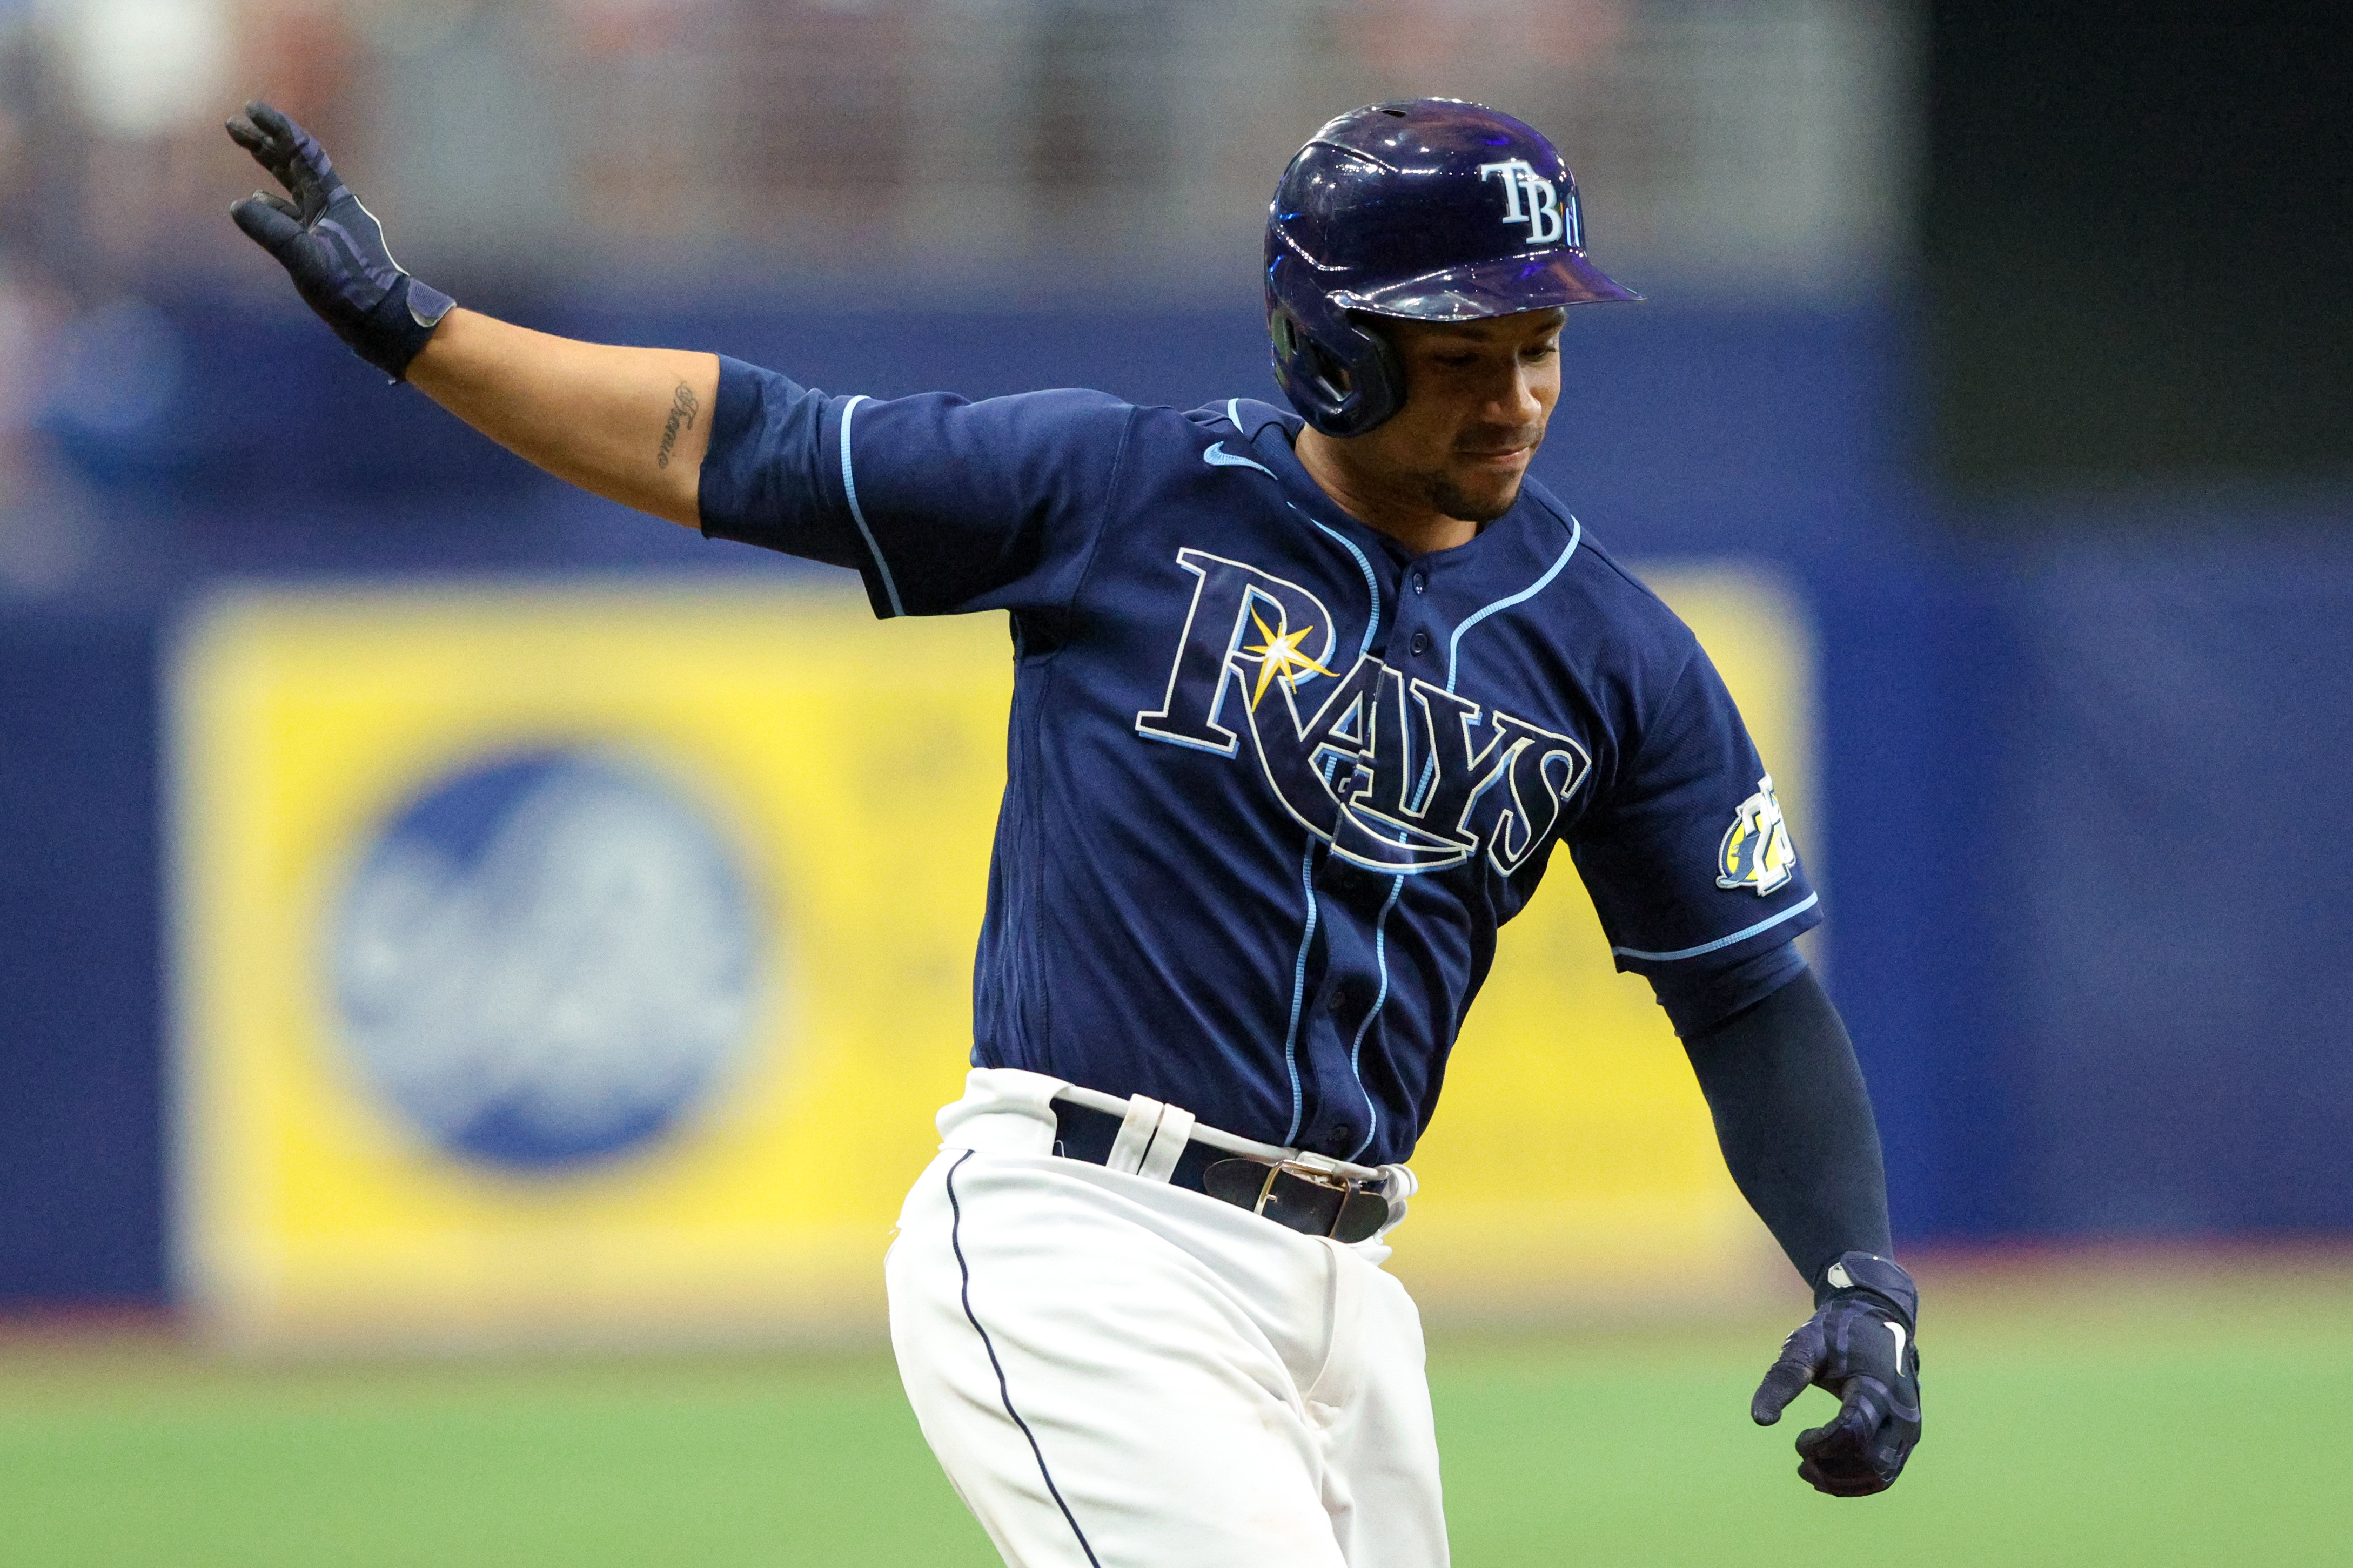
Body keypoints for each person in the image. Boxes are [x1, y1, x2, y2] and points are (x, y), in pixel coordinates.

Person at [227, 96, 1922, 1565]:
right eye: (1460, 358)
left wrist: (1860, 1274)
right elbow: (744, 447)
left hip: (1351, 1298)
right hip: (1089, 1245)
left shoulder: (1610, 647)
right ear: (1331, 351)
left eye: (1538, 349)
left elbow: (1747, 993)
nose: (1516, 400)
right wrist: (420, 335)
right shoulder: (1124, 492)